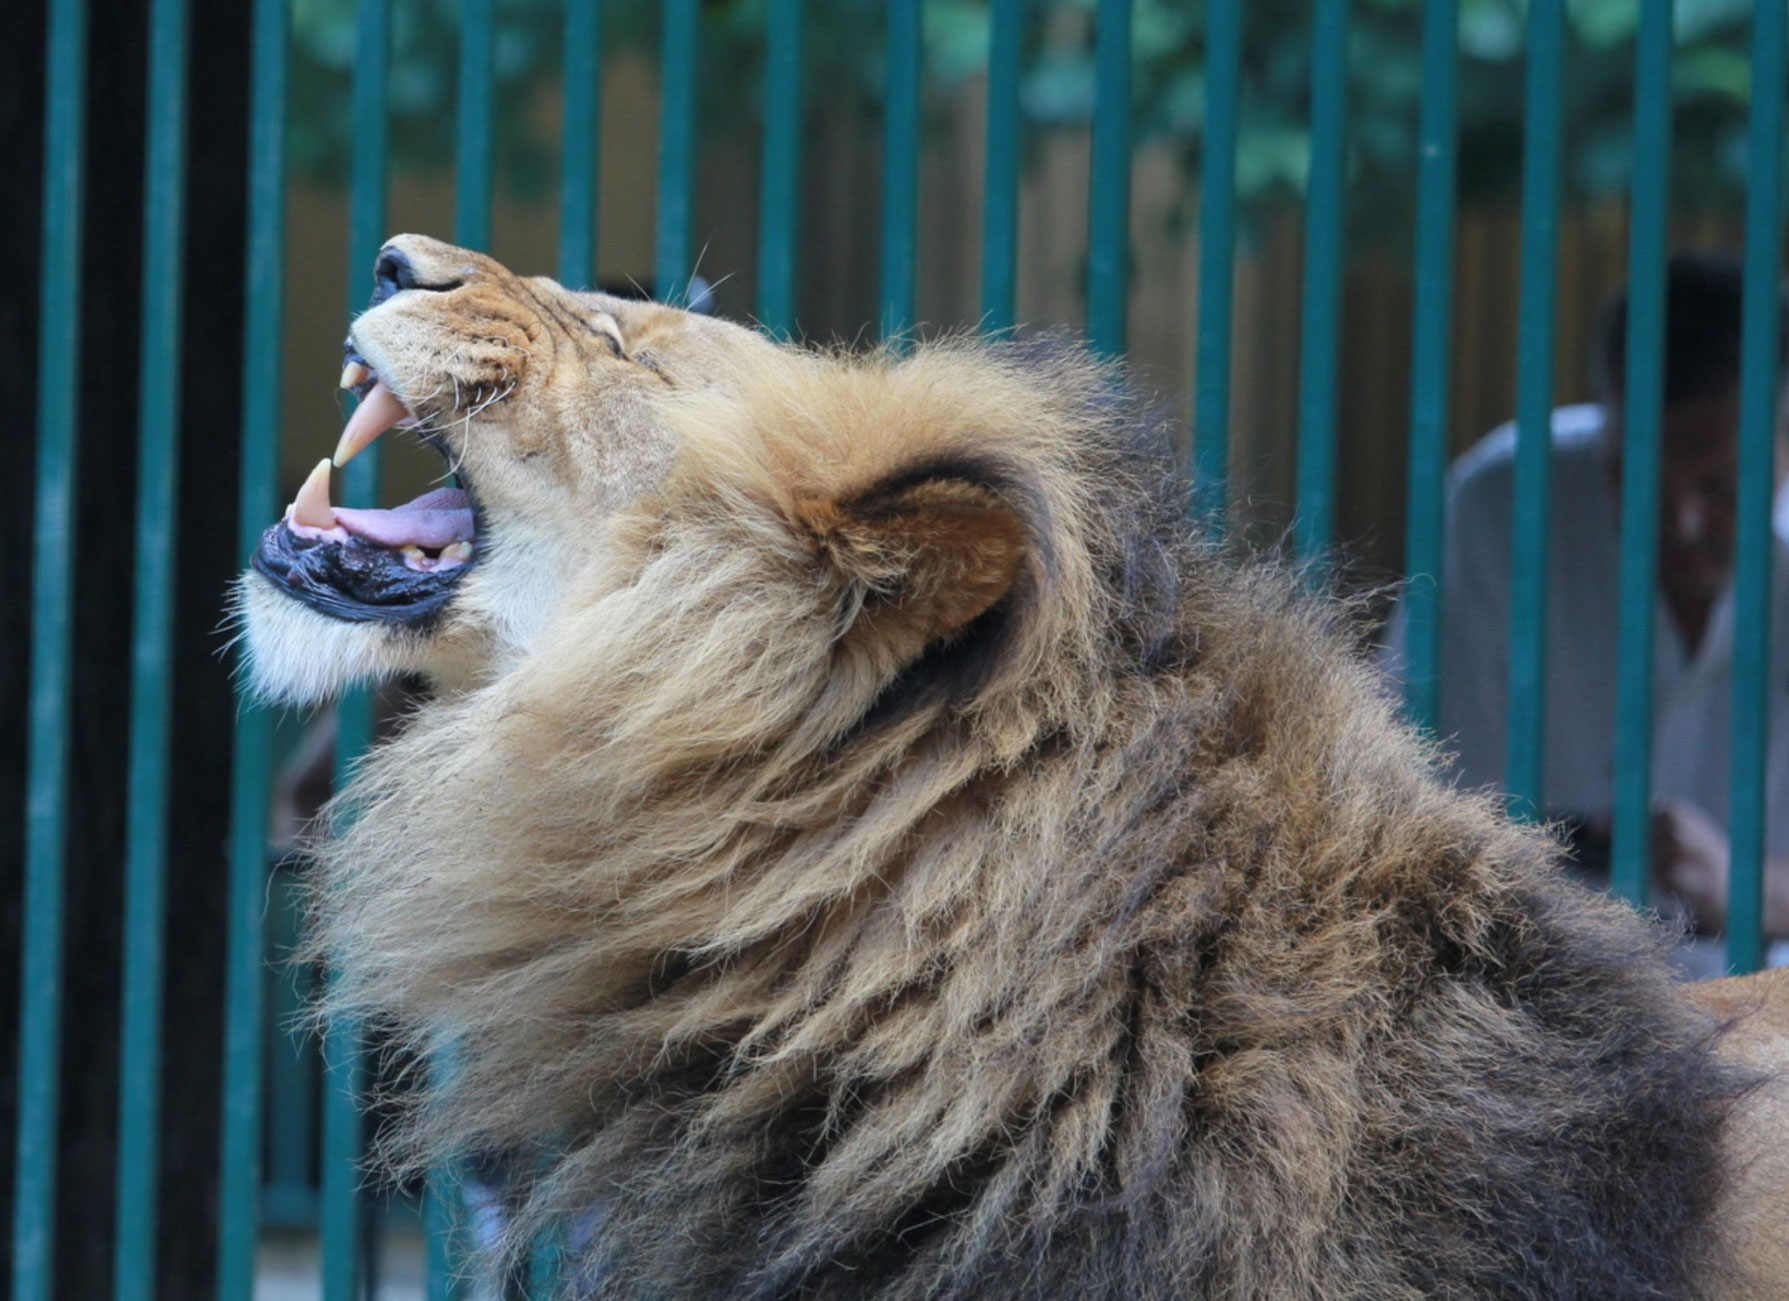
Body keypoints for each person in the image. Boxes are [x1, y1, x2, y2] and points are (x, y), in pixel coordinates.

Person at [1382, 252, 1789, 969]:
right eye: (1635, 475)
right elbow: (1403, 808)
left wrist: (1746, 890)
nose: (1680, 523)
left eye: (1721, 482)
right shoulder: (1502, 507)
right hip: (1530, 1012)